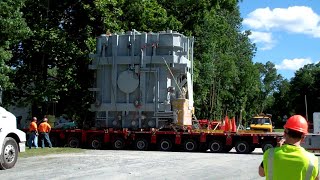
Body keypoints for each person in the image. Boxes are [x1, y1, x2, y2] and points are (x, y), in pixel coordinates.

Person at [258, 115, 319, 180]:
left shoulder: (270, 154)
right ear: (303, 137)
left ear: (285, 133)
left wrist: (276, 149)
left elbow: (261, 173)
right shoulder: (312, 159)